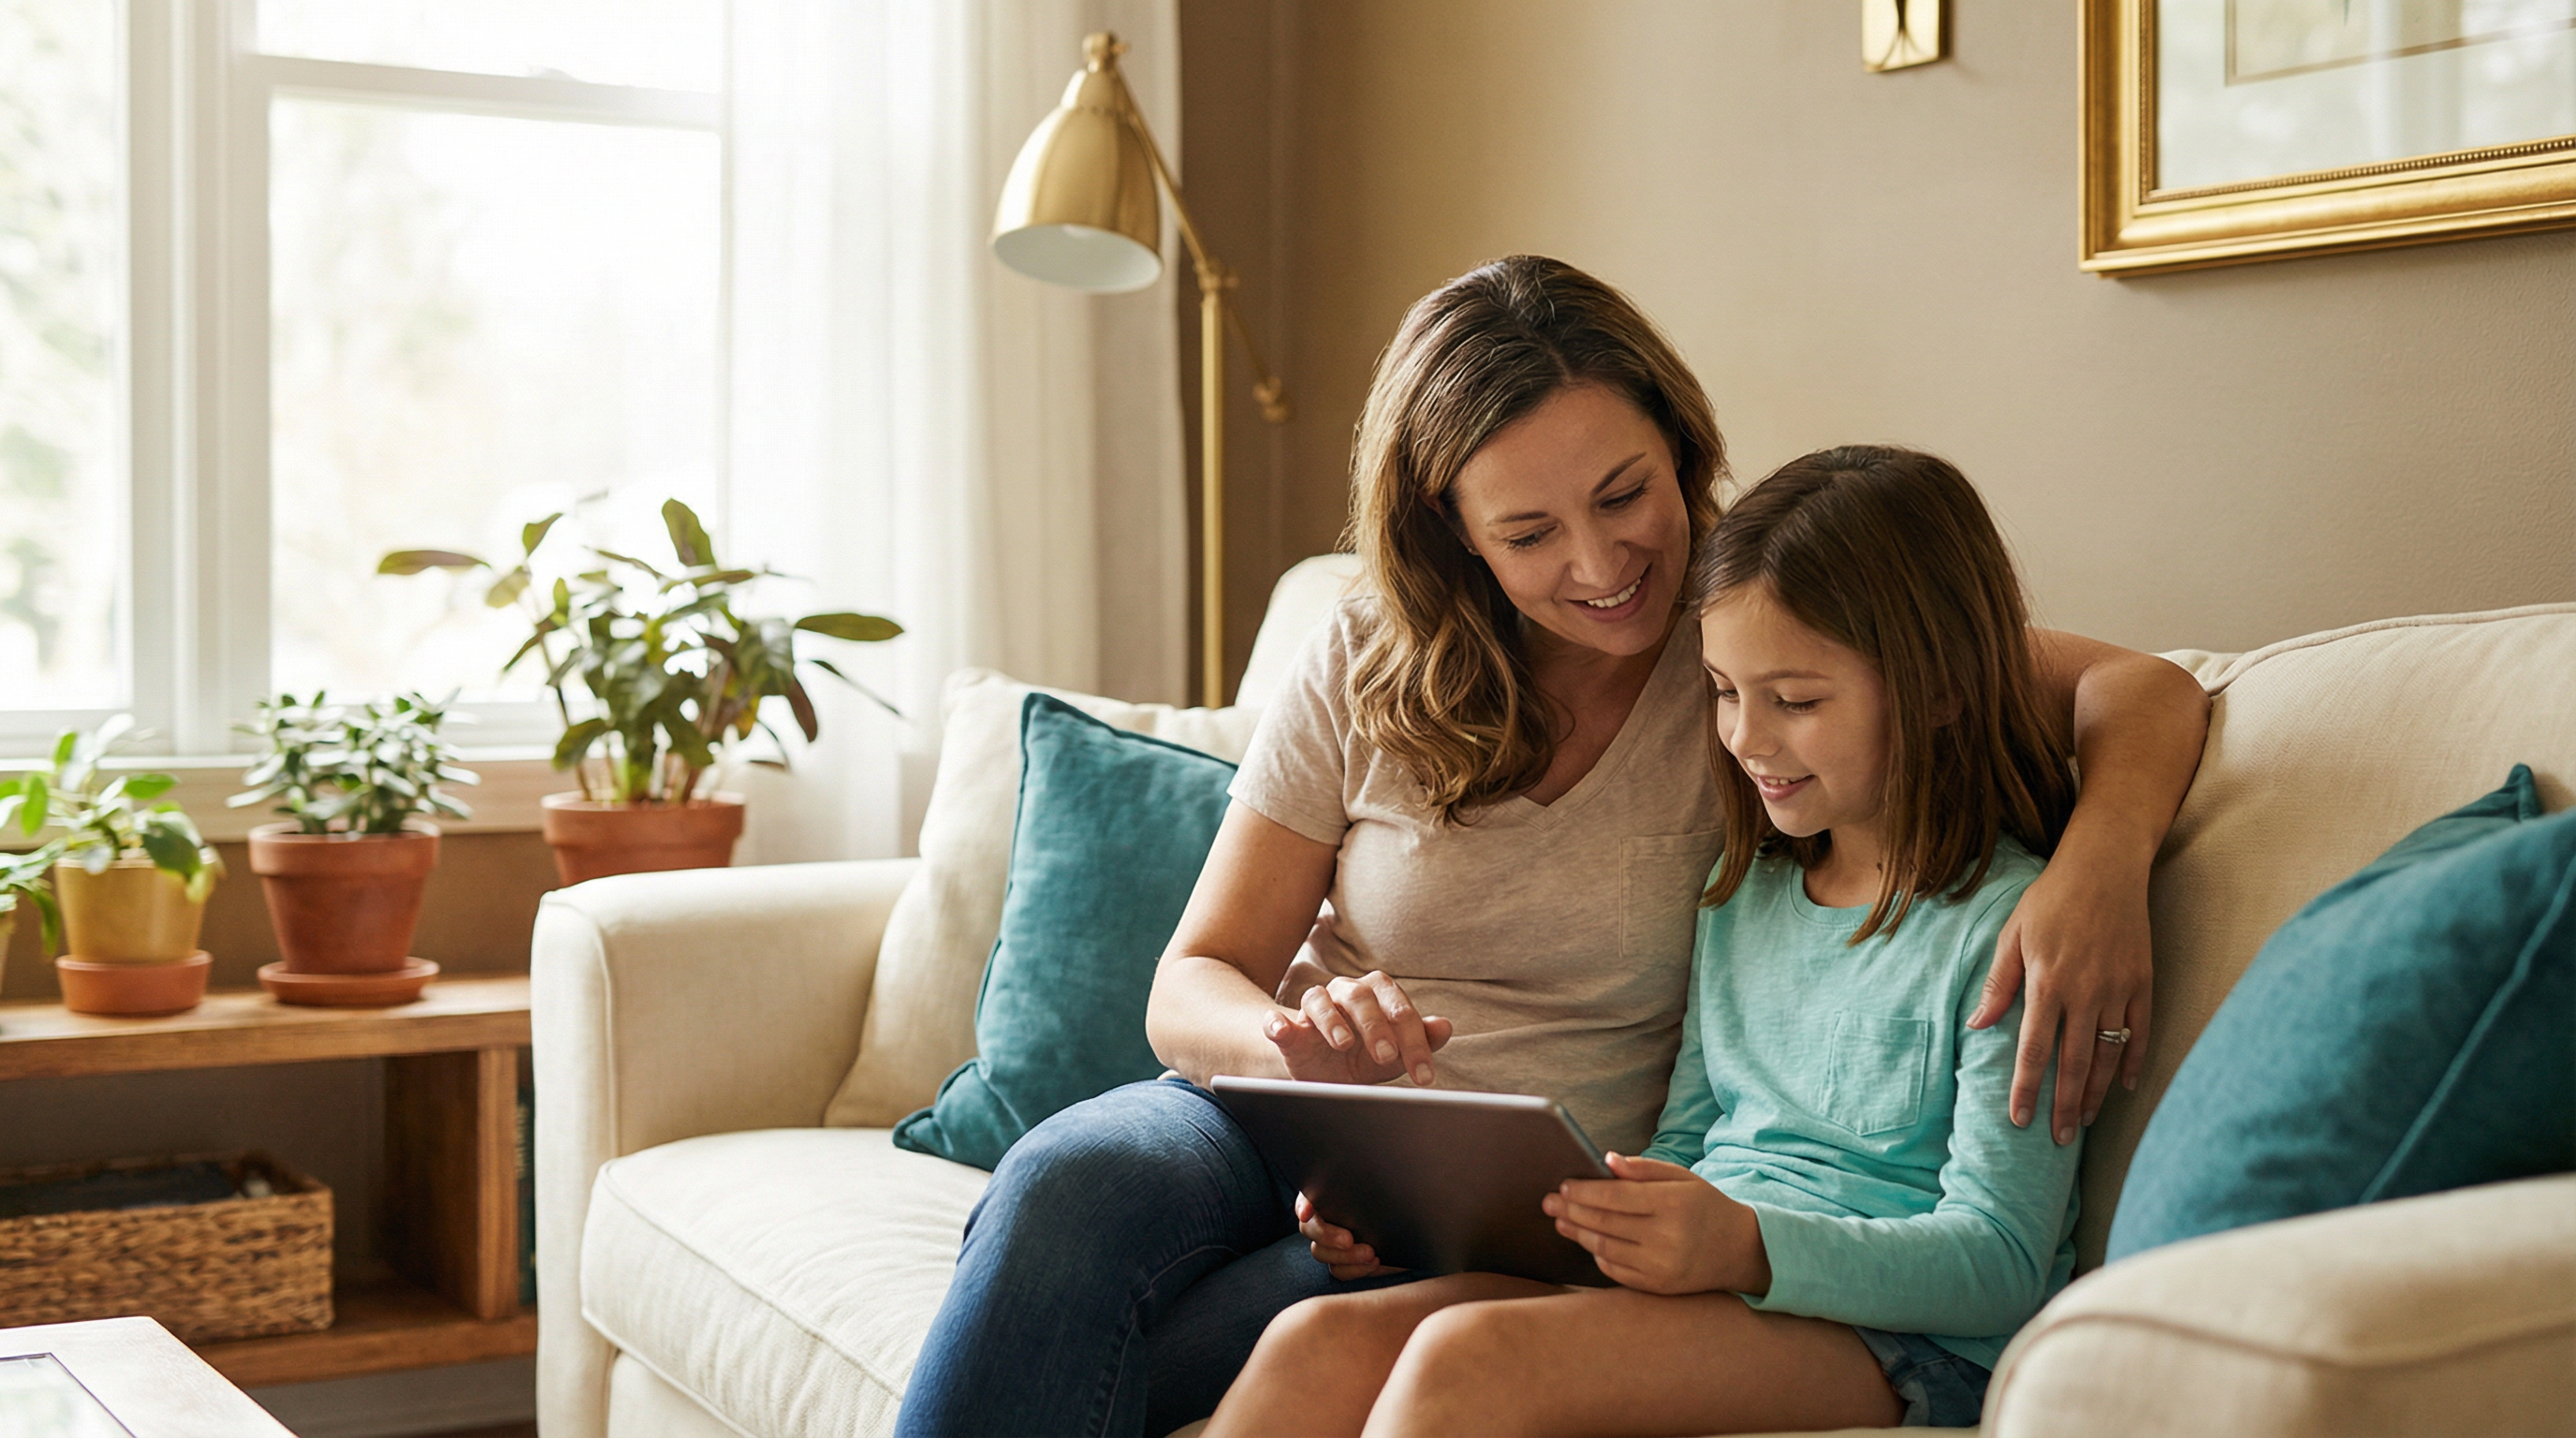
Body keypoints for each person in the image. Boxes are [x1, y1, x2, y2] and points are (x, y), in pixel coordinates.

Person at [890, 258, 2205, 1438]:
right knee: (1062, 1190)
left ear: (1682, 447)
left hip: (1520, 1210)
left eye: (1627, 494)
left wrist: (2100, 870)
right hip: (1296, 1121)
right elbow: (1195, 982)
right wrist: (1315, 1061)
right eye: (1528, 533)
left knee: (1189, 1349)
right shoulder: (1365, 655)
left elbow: (2141, 690)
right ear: (1451, 533)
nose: (1602, 562)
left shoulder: (1759, 630)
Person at [1208, 446, 2090, 1436]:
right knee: (1313, 1341)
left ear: (1936, 690)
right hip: (1711, 1275)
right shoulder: (1740, 891)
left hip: (1896, 1332)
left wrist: (1744, 1248)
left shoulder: (2018, 932)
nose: (1747, 739)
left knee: (1474, 1363)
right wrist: (1467, 1211)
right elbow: (1687, 1142)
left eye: (1794, 700)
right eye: (1721, 691)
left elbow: (2003, 1262)